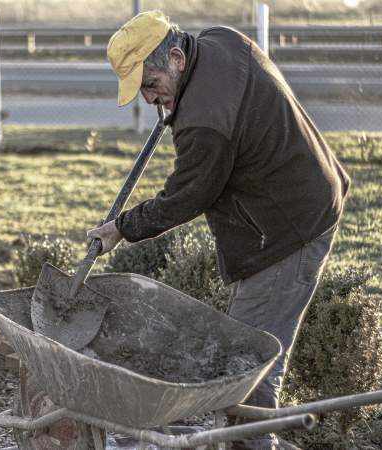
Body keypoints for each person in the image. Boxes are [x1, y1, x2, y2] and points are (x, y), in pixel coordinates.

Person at [88, 11, 351, 450]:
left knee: (245, 370)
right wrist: (176, 106)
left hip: (287, 228)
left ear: (174, 57)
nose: (151, 98)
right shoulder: (218, 41)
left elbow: (187, 196)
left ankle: (253, 441)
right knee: (246, 348)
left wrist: (122, 228)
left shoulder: (204, 123)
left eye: (150, 85)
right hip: (297, 196)